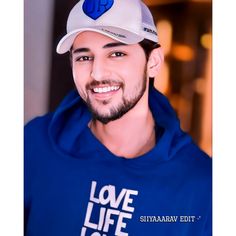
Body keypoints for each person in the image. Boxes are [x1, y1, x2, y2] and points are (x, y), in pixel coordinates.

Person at [24, 0, 212, 235]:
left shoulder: (204, 185)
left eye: (117, 53)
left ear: (153, 62)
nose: (97, 73)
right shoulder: (34, 143)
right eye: (84, 57)